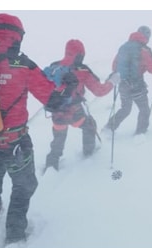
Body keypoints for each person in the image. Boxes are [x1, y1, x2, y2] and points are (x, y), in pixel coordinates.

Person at [0, 13, 55, 246]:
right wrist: (66, 87)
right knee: (25, 184)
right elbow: (51, 98)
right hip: (14, 140)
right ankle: (15, 235)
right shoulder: (23, 64)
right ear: (17, 36)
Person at [44, 39, 120, 172]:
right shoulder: (82, 70)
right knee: (89, 125)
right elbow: (99, 91)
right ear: (80, 54)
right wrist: (112, 82)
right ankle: (89, 155)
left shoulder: (54, 66)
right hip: (75, 112)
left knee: (58, 138)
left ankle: (51, 164)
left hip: (57, 112)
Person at [104, 26, 152, 135]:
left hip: (123, 84)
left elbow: (114, 66)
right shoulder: (143, 49)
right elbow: (151, 69)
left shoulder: (124, 47)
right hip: (137, 84)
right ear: (147, 36)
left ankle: (109, 128)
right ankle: (140, 133)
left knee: (125, 109)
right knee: (144, 109)